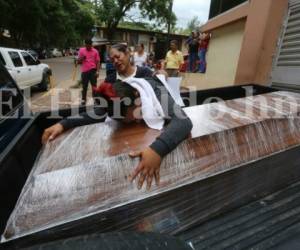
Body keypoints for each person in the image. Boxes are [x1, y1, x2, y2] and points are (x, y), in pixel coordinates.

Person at [42, 43, 193, 190]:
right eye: (121, 120)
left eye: (128, 117)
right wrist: (64, 124)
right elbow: (99, 112)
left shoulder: (154, 87)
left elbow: (183, 121)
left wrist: (157, 150)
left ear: (137, 99)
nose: (130, 121)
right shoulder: (113, 86)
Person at [77, 38, 101, 105]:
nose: (88, 47)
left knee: (94, 86)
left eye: (89, 46)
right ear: (85, 44)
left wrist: (98, 71)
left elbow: (98, 62)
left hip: (93, 71)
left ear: (91, 45)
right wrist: (82, 58)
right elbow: (78, 62)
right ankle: (83, 100)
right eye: (86, 46)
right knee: (84, 86)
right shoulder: (81, 50)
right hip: (84, 71)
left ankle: (95, 100)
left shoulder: (95, 51)